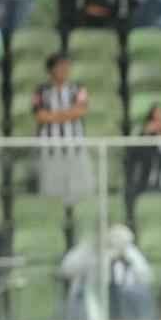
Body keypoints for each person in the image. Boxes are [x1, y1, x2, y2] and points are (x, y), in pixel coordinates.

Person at [34, 52, 94, 248]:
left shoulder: (78, 88)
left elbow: (81, 110)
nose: (64, 70)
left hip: (75, 147)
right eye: (60, 66)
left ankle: (78, 229)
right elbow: (40, 116)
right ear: (51, 69)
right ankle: (52, 233)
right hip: (50, 148)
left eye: (67, 66)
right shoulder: (41, 90)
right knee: (51, 192)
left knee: (81, 191)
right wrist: (66, 115)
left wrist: (56, 115)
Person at [60, 224, 154, 320]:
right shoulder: (86, 250)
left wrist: (124, 256)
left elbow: (145, 275)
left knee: (138, 293)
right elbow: (66, 269)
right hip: (92, 291)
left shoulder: (129, 251)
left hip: (125, 293)